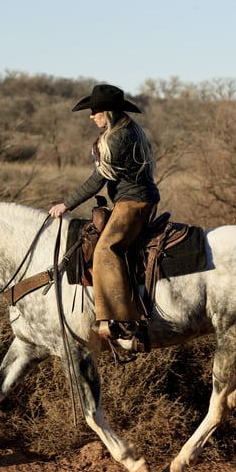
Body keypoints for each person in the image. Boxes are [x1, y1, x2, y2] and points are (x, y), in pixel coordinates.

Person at [49, 84, 159, 349]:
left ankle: (122, 320)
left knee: (106, 250)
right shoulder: (124, 130)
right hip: (131, 199)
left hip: (134, 202)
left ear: (108, 111)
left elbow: (97, 180)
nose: (91, 115)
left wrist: (66, 204)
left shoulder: (118, 138)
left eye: (95, 110)